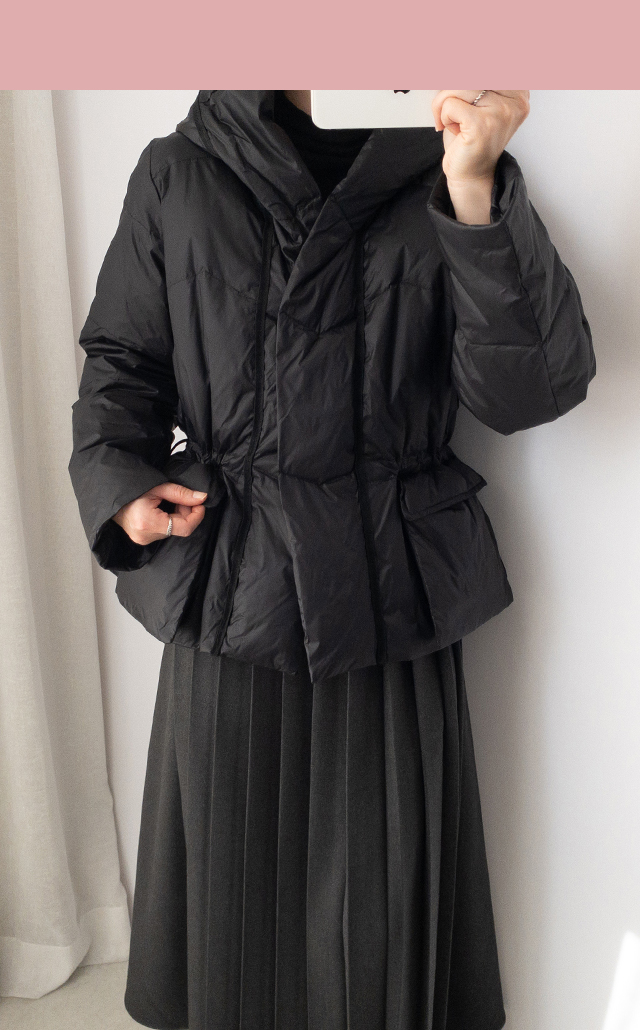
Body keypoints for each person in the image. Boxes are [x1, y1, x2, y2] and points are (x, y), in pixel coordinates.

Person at [68, 90, 595, 1030]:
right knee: (230, 897)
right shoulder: (181, 169)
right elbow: (123, 357)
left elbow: (530, 391)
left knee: (381, 908)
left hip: (388, 588)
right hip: (234, 582)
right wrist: (121, 478)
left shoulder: (451, 165)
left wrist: (475, 187)